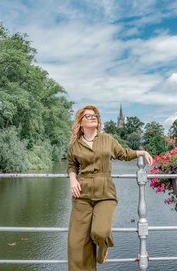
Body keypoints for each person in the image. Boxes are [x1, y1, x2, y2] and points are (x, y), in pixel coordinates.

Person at [67, 105, 153, 271]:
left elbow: (124, 154)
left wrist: (141, 153)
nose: (93, 117)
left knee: (100, 232)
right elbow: (71, 166)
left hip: (105, 194)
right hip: (82, 195)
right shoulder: (75, 146)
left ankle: (102, 248)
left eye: (95, 115)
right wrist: (72, 180)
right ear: (81, 122)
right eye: (88, 116)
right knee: (76, 244)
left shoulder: (107, 140)